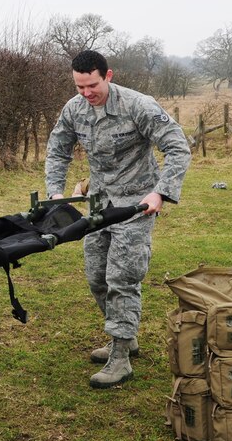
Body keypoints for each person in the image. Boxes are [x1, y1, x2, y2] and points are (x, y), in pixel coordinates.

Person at [45, 50, 191, 388]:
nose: (86, 93)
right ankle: (126, 337)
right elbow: (57, 149)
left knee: (122, 278)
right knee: (96, 276)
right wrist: (56, 193)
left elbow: (177, 147)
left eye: (92, 85)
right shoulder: (74, 109)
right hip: (99, 205)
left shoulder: (138, 105)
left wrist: (160, 192)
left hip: (136, 205)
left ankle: (121, 357)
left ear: (108, 75)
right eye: (79, 87)